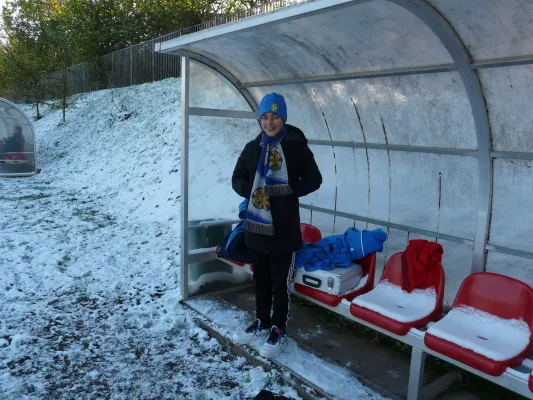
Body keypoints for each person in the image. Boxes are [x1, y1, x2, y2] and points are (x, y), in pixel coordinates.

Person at [231, 93, 322, 357]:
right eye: (266, 117)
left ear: (284, 118)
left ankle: (278, 329)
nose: (270, 122)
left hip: (283, 229)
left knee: (279, 283)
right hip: (256, 228)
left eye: (276, 117)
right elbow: (237, 178)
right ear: (260, 119)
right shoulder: (252, 148)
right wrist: (253, 190)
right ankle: (262, 322)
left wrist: (289, 189)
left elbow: (314, 179)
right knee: (260, 279)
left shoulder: (296, 147)